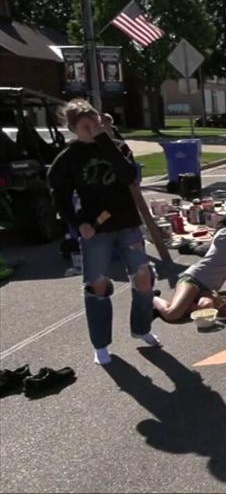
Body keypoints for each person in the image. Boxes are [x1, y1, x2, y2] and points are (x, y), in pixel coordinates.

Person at [48, 99, 158, 365]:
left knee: (143, 278)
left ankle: (141, 328)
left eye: (95, 123)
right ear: (73, 129)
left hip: (127, 223)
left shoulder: (116, 147)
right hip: (95, 228)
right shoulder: (68, 158)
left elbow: (128, 176)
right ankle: (101, 344)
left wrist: (105, 142)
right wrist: (77, 224)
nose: (92, 129)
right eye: (85, 126)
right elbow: (59, 196)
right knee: (97, 285)